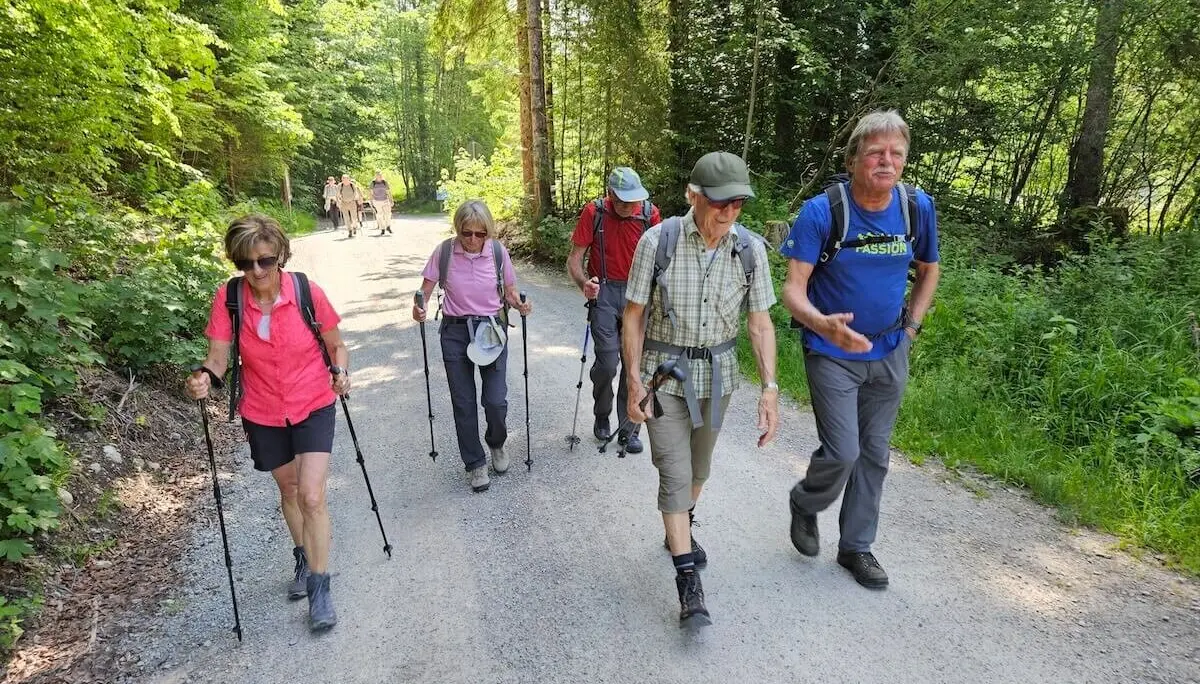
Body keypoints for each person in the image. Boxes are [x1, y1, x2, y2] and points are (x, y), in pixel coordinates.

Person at [780, 109, 941, 590]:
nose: (886, 161)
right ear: (852, 160)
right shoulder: (823, 212)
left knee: (874, 453)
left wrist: (911, 328)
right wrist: (821, 324)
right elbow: (792, 290)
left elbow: (928, 269)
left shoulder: (916, 207)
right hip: (831, 352)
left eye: (896, 153)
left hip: (890, 348)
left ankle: (856, 547)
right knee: (844, 451)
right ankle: (806, 502)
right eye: (875, 153)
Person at [622, 152, 779, 627]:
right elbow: (633, 315)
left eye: (738, 203)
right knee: (674, 472)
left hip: (719, 376)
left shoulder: (749, 250)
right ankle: (688, 582)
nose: (729, 212)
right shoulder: (658, 242)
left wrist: (770, 388)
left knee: (699, 469)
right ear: (693, 196)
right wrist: (633, 380)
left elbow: (760, 324)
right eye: (719, 202)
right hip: (664, 377)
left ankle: (680, 527)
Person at [185, 214, 351, 631]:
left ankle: (319, 587)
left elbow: (336, 345)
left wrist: (341, 372)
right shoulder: (230, 299)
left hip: (313, 400)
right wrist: (204, 378)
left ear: (280, 256)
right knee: (290, 490)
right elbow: (218, 359)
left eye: (264, 260)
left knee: (311, 495)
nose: (256, 271)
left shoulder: (306, 292)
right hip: (262, 409)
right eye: (245, 263)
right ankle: (303, 556)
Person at [412, 201, 534, 493]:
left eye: (481, 234)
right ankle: (475, 463)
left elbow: (510, 291)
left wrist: (520, 304)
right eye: (467, 233)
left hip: (491, 330)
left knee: (495, 400)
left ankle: (497, 443)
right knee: (463, 402)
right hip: (455, 331)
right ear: (458, 229)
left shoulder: (497, 252)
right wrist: (419, 307)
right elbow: (424, 291)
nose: (474, 239)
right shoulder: (444, 252)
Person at [565, 167, 661, 452]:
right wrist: (584, 283)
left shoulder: (649, 215)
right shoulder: (594, 212)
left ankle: (629, 428)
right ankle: (602, 414)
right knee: (607, 363)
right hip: (604, 294)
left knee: (634, 364)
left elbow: (662, 260)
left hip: (638, 294)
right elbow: (574, 259)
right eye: (622, 201)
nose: (629, 206)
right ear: (610, 194)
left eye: (633, 200)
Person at [369, 171, 394, 236]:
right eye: (377, 175)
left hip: (385, 200)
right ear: (375, 176)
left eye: (380, 175)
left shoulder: (385, 182)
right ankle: (382, 228)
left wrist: (391, 200)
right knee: (380, 215)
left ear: (381, 176)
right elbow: (371, 193)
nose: (379, 176)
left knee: (388, 213)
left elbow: (388, 192)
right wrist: (371, 201)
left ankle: (388, 226)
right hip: (377, 201)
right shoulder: (373, 183)